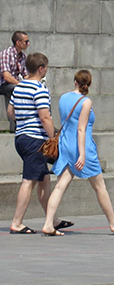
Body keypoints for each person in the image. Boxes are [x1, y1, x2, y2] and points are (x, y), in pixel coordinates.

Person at [41, 70, 114, 236]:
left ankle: (48, 223)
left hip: (65, 145)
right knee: (99, 187)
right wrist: (82, 154)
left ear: (75, 81)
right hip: (83, 148)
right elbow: (81, 129)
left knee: (60, 186)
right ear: (88, 84)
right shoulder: (86, 102)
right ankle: (113, 222)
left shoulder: (63, 98)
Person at [7, 52, 69, 234]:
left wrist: (23, 119)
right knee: (29, 181)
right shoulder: (39, 89)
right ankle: (17, 222)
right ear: (41, 69)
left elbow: (11, 112)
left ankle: (52, 219)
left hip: (21, 137)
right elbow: (45, 117)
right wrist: (54, 138)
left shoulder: (18, 87)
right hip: (35, 140)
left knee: (44, 179)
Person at [0, 30, 29, 131]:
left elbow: (26, 75)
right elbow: (6, 77)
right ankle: (16, 124)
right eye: (26, 41)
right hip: (4, 85)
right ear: (18, 42)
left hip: (17, 84)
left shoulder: (23, 56)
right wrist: (21, 84)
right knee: (16, 89)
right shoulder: (5, 54)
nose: (28, 44)